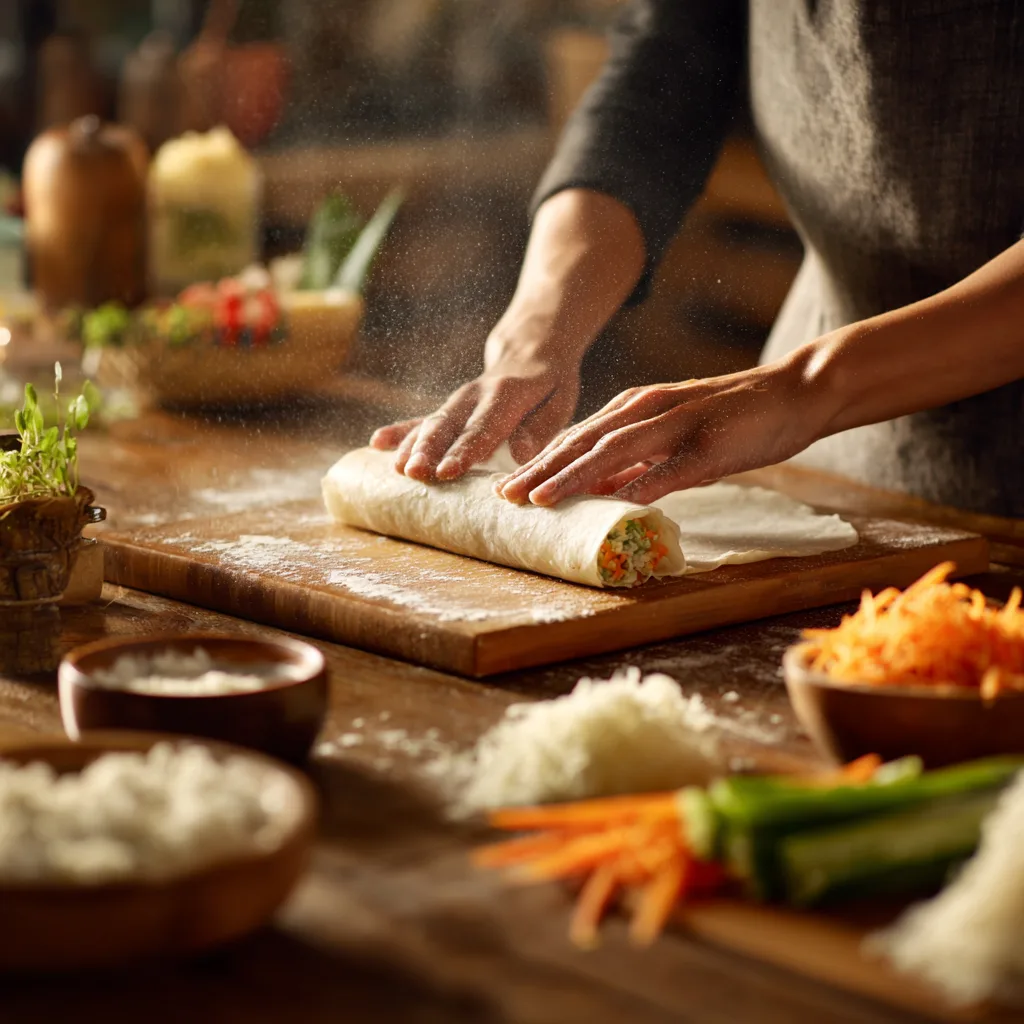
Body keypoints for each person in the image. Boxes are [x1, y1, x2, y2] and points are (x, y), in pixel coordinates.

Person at [371, 1, 1024, 518]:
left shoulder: (804, 390)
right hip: (820, 442)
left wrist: (805, 389)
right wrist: (539, 327)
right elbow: (661, 73)